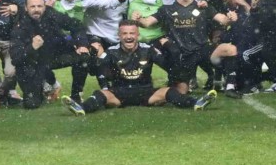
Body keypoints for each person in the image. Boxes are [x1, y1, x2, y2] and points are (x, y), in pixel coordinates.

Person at [62, 20, 217, 115]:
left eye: (132, 33)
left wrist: (170, 50)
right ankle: (81, 108)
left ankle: (196, 103)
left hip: (146, 92)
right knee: (99, 94)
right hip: (119, 94)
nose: (128, 36)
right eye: (125, 34)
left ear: (137, 35)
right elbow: (97, 71)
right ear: (119, 36)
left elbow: (169, 67)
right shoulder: (111, 52)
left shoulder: (148, 50)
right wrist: (95, 60)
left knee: (169, 92)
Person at [136, 0, 241, 98]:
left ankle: (230, 87)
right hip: (182, 55)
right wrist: (138, 18)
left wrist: (231, 18)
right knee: (181, 93)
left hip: (202, 50)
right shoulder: (166, 9)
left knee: (230, 49)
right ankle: (163, 84)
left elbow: (223, 20)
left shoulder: (203, 7)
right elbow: (147, 23)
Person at [10, 0, 91, 108]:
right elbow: (16, 59)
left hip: (54, 56)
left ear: (45, 7)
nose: (36, 9)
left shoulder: (52, 14)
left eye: (40, 6)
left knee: (83, 56)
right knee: (31, 104)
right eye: (33, 6)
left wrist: (81, 44)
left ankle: (76, 95)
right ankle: (45, 87)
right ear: (26, 8)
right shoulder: (19, 25)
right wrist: (32, 47)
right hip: (33, 63)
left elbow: (77, 25)